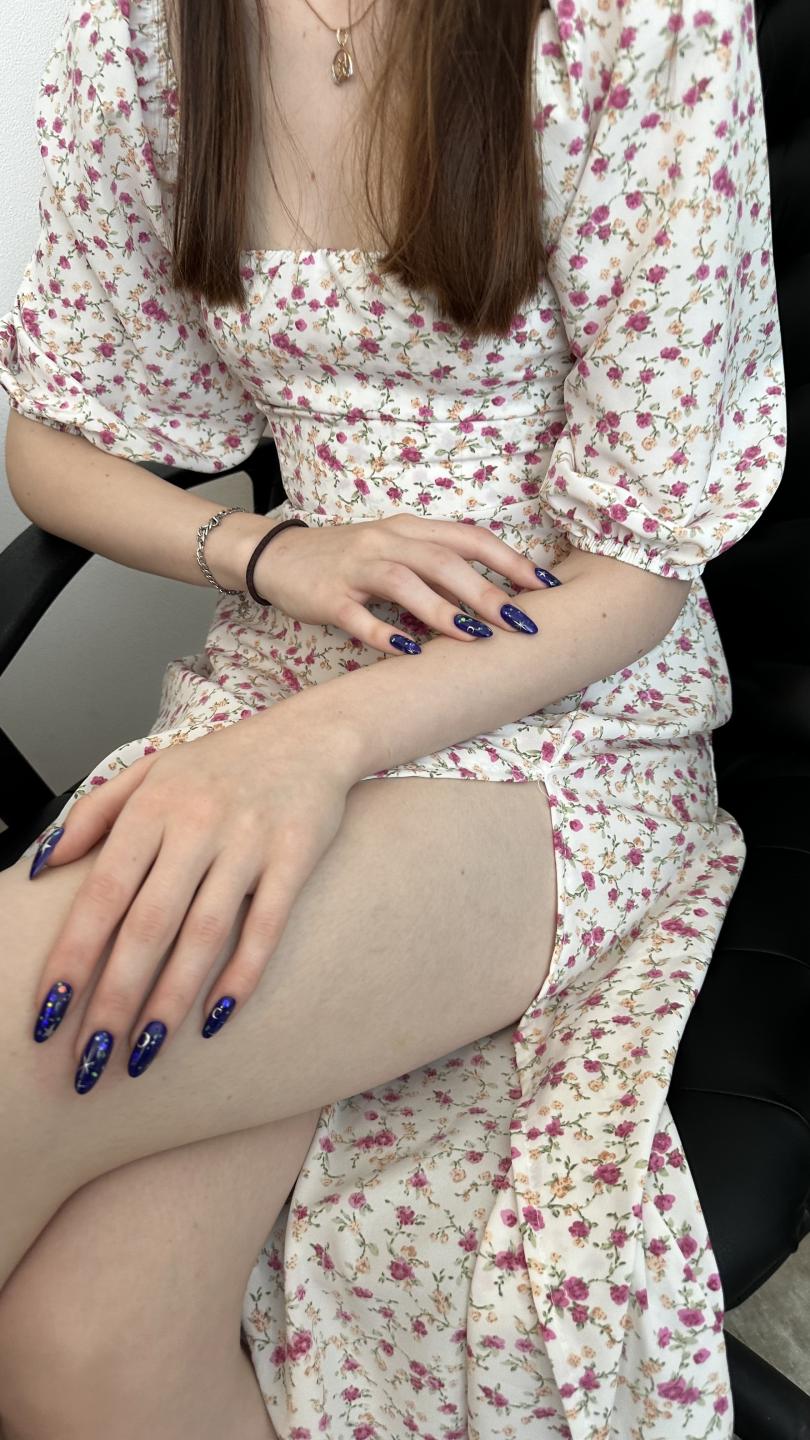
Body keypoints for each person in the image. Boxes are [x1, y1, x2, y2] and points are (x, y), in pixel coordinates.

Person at [0, 0, 785, 1435]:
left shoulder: (639, 18)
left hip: (559, 707)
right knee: (81, 1352)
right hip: (277, 670)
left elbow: (643, 562)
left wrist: (313, 747)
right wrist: (268, 552)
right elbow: (46, 443)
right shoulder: (138, 33)